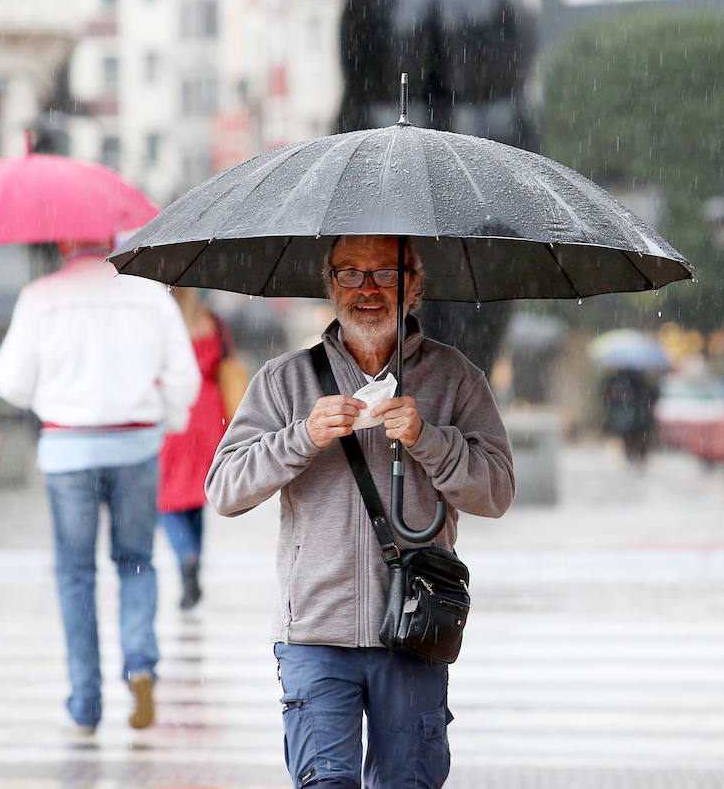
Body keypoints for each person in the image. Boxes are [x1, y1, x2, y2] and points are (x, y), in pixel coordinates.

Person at [206, 234, 515, 789]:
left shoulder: (455, 378)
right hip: (316, 632)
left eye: (386, 274)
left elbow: (496, 491)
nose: (367, 289)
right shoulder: (286, 380)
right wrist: (301, 437)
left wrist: (429, 439)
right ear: (330, 285)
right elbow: (226, 489)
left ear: (415, 286)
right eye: (350, 274)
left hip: (416, 626)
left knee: (407, 783)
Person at [0, 240, 200, 736]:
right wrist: (163, 418)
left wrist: (58, 392)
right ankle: (141, 665)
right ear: (111, 240)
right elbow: (184, 381)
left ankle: (85, 703)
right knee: (136, 561)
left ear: (61, 244)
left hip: (69, 450)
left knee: (75, 574)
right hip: (134, 446)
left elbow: (12, 384)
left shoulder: (41, 296)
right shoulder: (149, 295)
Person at [158, 287, 236, 610]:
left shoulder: (163, 324)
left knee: (165, 499)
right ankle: (194, 562)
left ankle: (185, 556)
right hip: (208, 414)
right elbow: (227, 361)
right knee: (195, 498)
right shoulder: (211, 321)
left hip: (174, 413)